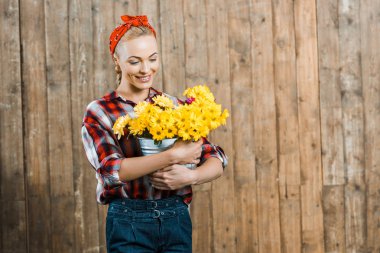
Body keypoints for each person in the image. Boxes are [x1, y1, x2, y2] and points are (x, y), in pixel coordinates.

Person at [81, 15, 228, 253]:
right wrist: (173, 156)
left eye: (152, 59)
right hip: (128, 222)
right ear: (117, 61)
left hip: (176, 218)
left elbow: (217, 158)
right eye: (134, 61)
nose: (146, 69)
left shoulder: (173, 106)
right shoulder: (100, 111)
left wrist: (191, 177)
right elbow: (111, 171)